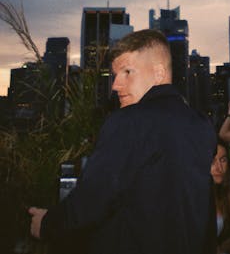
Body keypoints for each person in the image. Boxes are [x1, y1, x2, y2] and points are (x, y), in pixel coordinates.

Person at [29, 29, 216, 254]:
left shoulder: (129, 121)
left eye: (127, 72)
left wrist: (47, 224)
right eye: (115, 75)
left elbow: (93, 199)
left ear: (158, 73)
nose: (116, 85)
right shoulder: (202, 126)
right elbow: (204, 210)